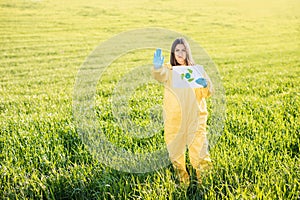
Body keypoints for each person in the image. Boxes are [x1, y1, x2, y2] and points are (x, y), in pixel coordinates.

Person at [152, 37, 213, 186]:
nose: (180, 53)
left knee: (199, 151)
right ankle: (183, 181)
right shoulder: (169, 70)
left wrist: (204, 84)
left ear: (188, 52)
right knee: (175, 152)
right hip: (175, 120)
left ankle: (205, 181)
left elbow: (208, 92)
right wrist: (157, 67)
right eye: (177, 50)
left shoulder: (197, 70)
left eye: (183, 50)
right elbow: (159, 75)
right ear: (173, 53)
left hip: (195, 118)